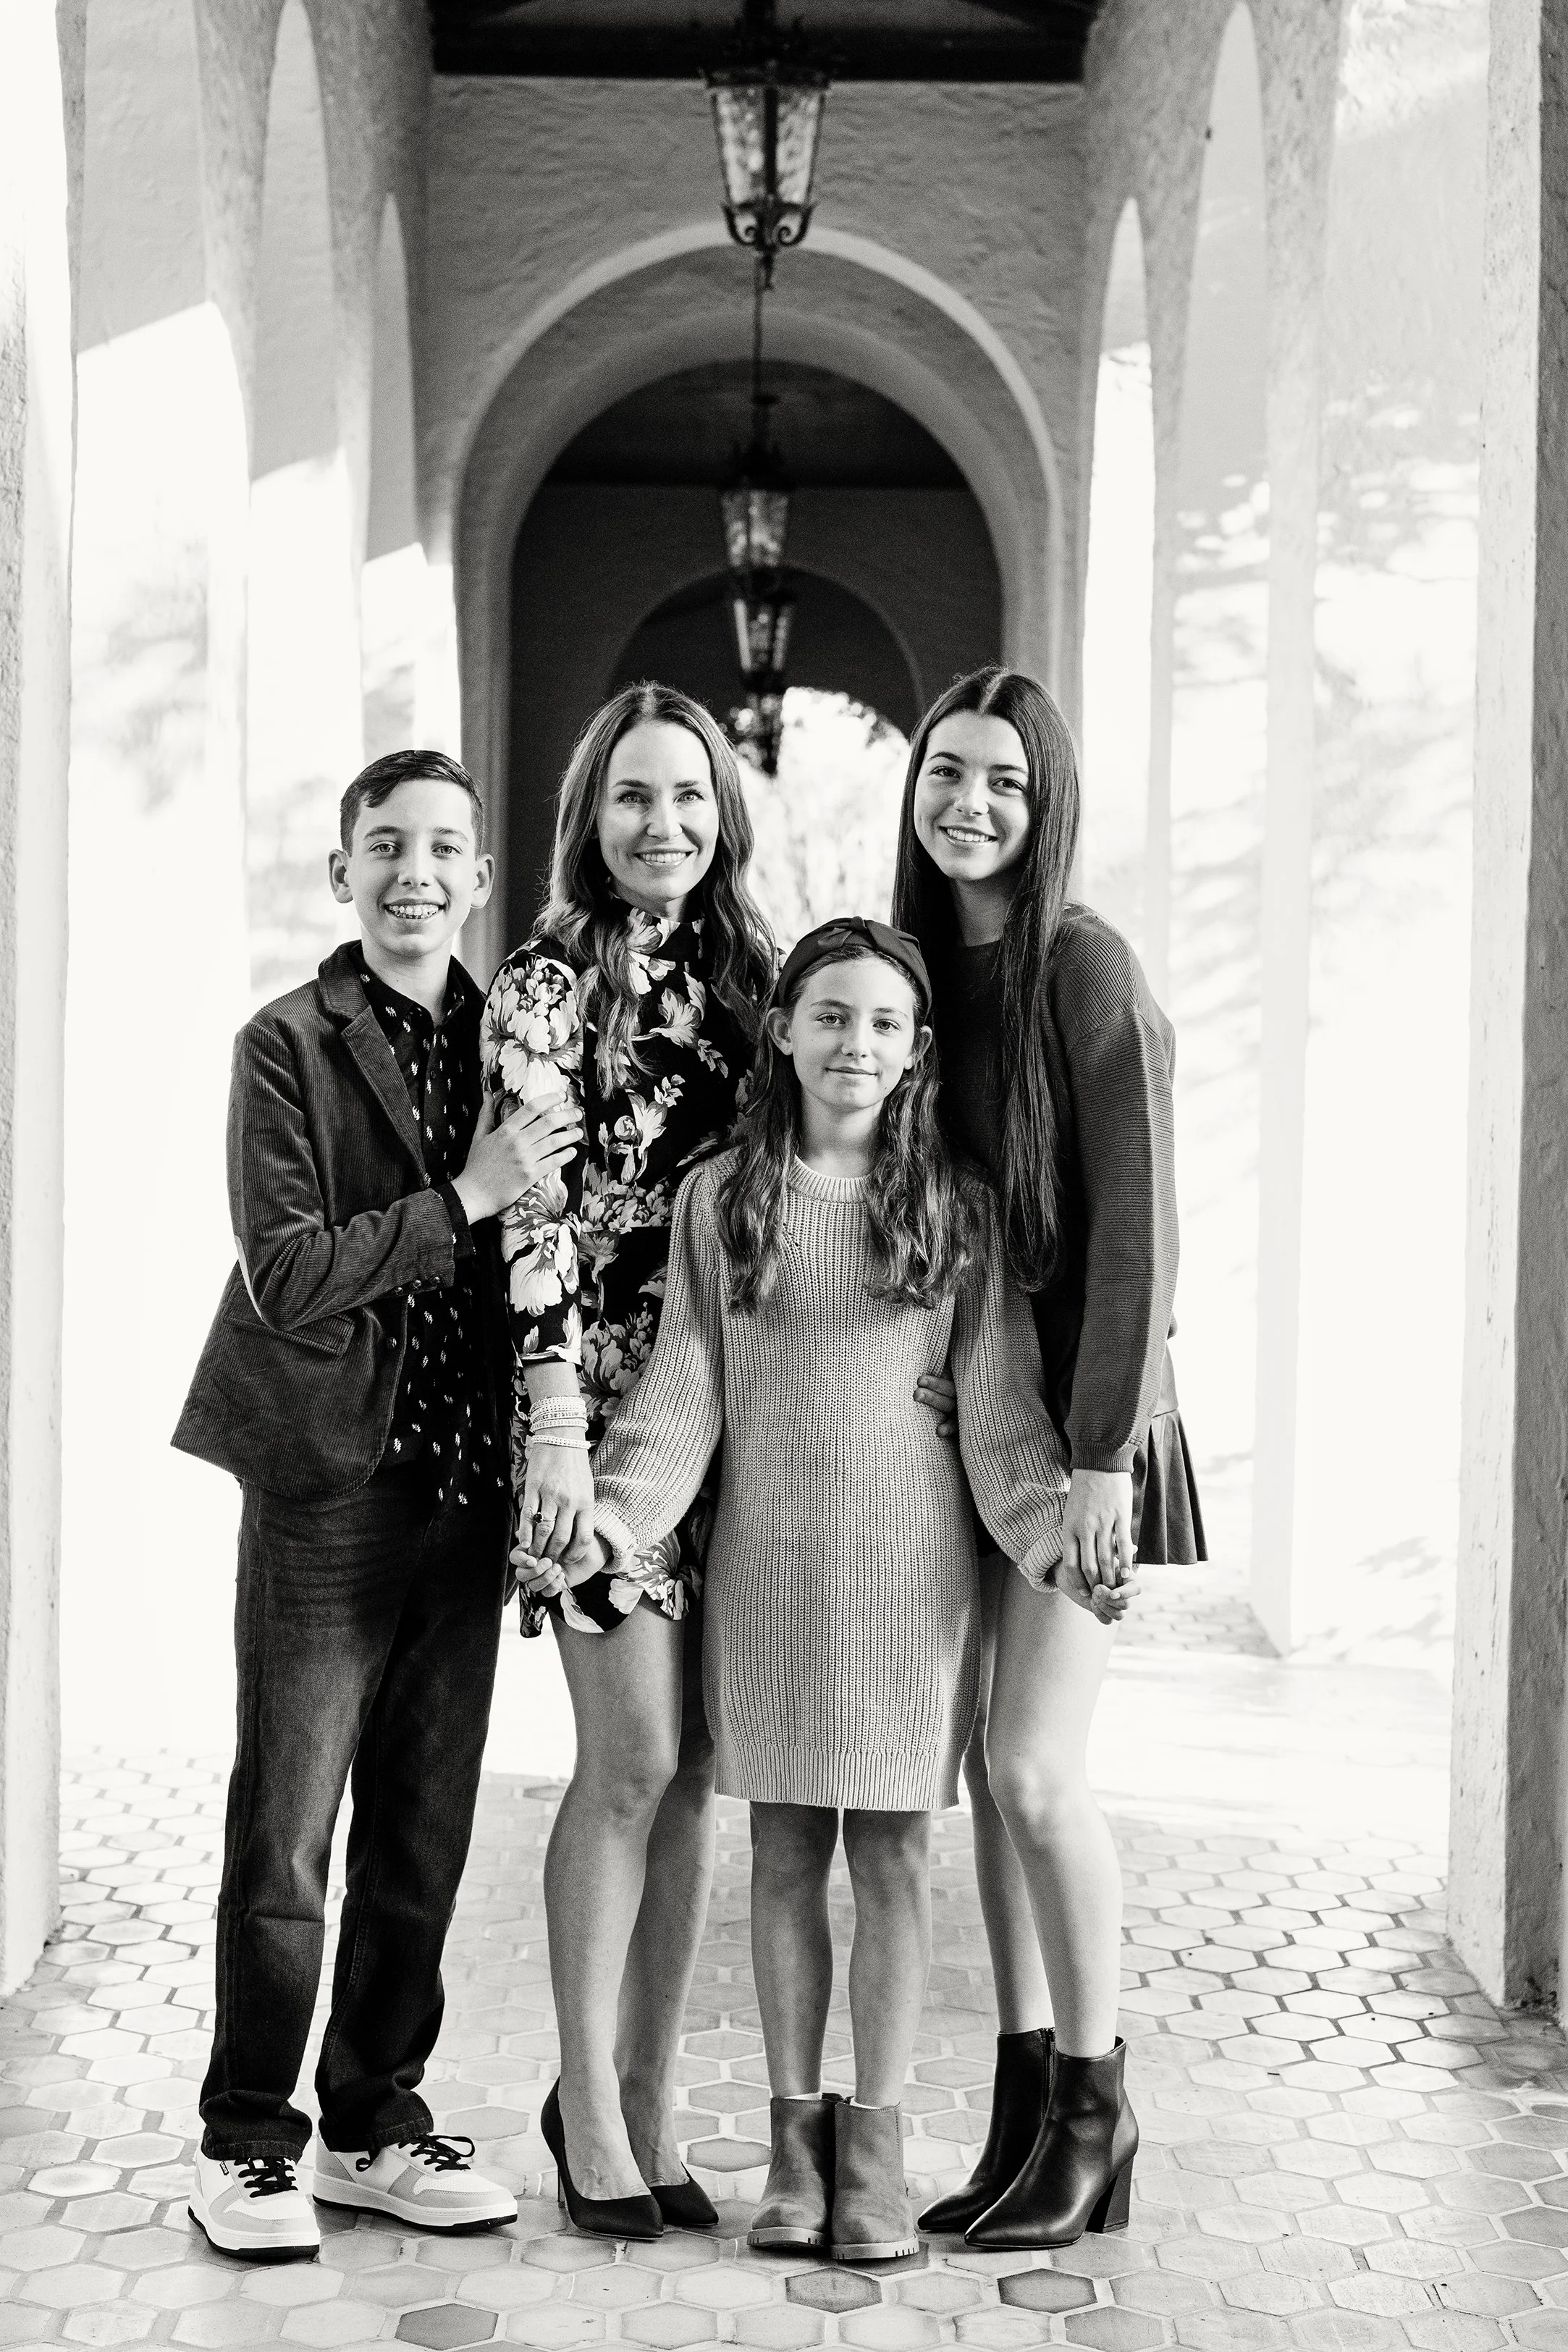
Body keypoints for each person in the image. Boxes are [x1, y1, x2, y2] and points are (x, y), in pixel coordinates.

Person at [544, 919, 1116, 2265]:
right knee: (789, 1854)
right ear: (786, 1034)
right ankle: (793, 2149)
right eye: (829, 1018)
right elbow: (682, 1392)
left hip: (914, 1579)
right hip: (771, 1567)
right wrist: (611, 1524)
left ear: (916, 1052)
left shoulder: (954, 1207)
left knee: (899, 1858)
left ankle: (878, 2145)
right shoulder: (723, 1199)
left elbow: (996, 1408)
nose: (854, 1045)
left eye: (881, 1025)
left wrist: (1053, 1538)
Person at [173, 749, 581, 2262]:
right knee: (287, 1828)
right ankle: (248, 2140)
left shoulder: (522, 1045)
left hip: (468, 1486)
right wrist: (462, 1199)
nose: (417, 870)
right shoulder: (283, 1042)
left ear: (482, 877)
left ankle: (372, 2121)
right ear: (341, 872)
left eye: (447, 847)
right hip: (324, 1482)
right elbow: (285, 1274)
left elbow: (556, 1265)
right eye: (386, 844)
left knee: (422, 1825)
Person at [891, 666, 1204, 2249]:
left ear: (1048, 798)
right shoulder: (925, 970)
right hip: (969, 1416)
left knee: (1031, 1766)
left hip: (1083, 1425)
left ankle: (1100, 2102)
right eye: (949, 771)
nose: (972, 802)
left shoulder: (1087, 965)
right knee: (979, 1779)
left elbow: (1138, 1231)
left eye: (1005, 780)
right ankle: (1025, 2107)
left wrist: (1104, 1460)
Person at [480, 683, 775, 2241]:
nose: (663, 824)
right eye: (632, 797)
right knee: (633, 1760)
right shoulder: (540, 986)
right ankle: (586, 2104)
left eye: (690, 798)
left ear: (725, 816)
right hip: (595, 1407)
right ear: (590, 816)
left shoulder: (762, 980)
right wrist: (550, 1423)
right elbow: (529, 1219)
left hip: (738, 1409)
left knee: (706, 1773)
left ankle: (649, 2104)